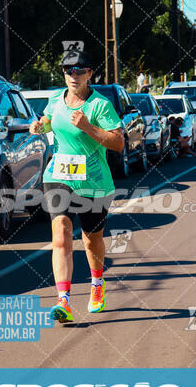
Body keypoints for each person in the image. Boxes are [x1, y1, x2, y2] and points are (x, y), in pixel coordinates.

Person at [29, 51, 124, 323]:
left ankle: (97, 284)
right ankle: (64, 302)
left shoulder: (100, 106)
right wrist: (37, 126)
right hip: (58, 175)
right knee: (60, 234)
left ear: (90, 74)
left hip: (93, 181)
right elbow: (47, 121)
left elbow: (118, 143)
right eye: (68, 70)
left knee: (91, 239)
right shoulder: (55, 100)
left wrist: (88, 127)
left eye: (79, 70)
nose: (73, 75)